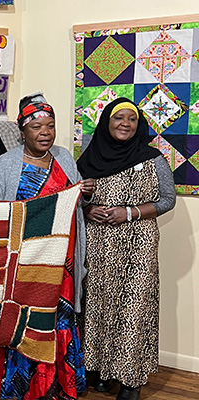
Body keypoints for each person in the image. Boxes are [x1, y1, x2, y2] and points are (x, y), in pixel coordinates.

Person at [0, 93, 94, 399]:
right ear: (22, 130)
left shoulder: (65, 158)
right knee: (26, 324)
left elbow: (75, 205)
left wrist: (86, 193)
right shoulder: (6, 165)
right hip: (25, 266)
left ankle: (59, 386)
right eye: (37, 126)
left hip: (62, 264)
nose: (45, 132)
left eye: (51, 125)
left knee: (58, 321)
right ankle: (26, 388)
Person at [77, 98, 175, 400]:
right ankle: (105, 371)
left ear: (139, 125)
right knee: (100, 306)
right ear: (106, 121)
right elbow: (73, 195)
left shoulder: (153, 158)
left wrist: (129, 212)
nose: (125, 124)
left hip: (138, 243)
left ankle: (131, 380)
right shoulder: (88, 158)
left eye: (131, 119)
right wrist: (86, 209)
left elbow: (167, 200)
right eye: (118, 118)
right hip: (98, 243)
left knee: (134, 308)